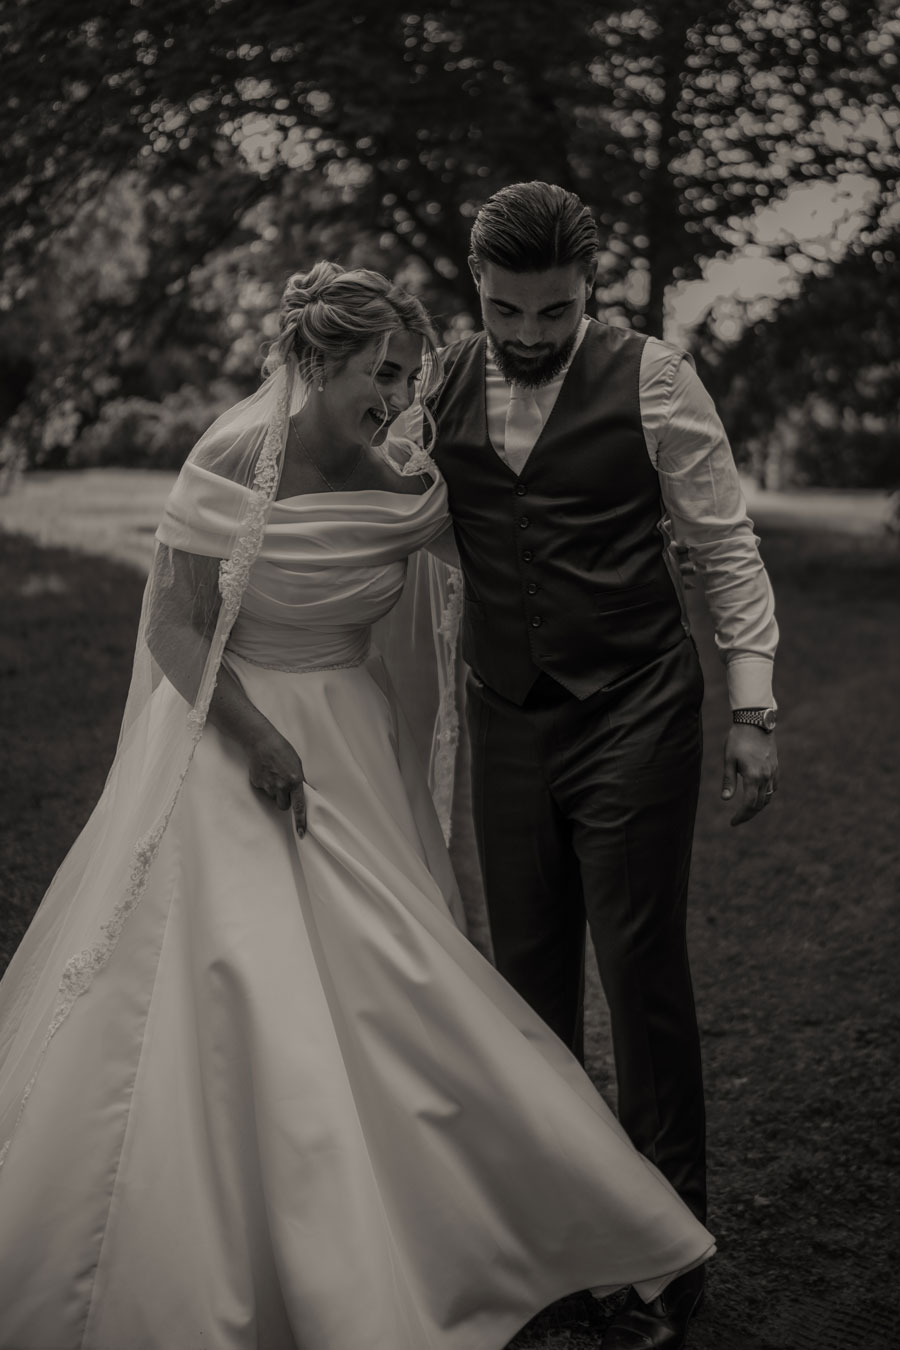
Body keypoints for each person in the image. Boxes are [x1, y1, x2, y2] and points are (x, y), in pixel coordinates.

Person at [0, 263, 713, 1350]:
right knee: (237, 977)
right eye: (379, 375)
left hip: (354, 747)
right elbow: (175, 626)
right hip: (229, 735)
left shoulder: (411, 482)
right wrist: (258, 739)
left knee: (403, 973)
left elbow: (515, 551)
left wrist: (639, 555)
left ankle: (498, 1220)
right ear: (312, 361)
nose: (396, 398)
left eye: (408, 377)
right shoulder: (232, 456)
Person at [428, 182, 779, 1350]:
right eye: (507, 310)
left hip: (634, 706)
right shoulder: (437, 380)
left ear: (591, 287)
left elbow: (723, 543)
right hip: (505, 712)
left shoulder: (655, 379)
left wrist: (753, 705)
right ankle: (555, 1237)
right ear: (476, 286)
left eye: (555, 310)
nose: (529, 334)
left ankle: (667, 1255)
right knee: (526, 981)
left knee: (637, 968)